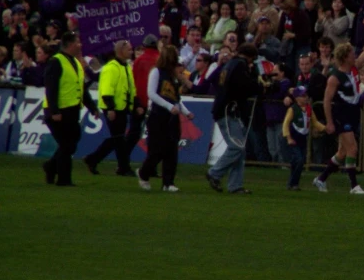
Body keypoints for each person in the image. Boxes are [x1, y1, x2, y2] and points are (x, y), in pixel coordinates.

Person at [42, 32, 99, 186]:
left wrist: (92, 107)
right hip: (59, 111)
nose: (80, 45)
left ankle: (51, 167)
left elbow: (81, 89)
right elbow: (51, 88)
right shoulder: (56, 61)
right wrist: (54, 111)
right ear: (69, 44)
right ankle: (63, 179)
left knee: (70, 144)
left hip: (72, 110)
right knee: (67, 145)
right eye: (77, 42)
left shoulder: (75, 62)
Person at [206, 43, 264, 194]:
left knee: (240, 149)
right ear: (250, 57)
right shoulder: (240, 65)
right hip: (227, 110)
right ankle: (214, 173)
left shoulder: (230, 64)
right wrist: (259, 85)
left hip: (225, 108)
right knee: (237, 147)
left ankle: (235, 185)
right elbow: (243, 87)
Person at [137, 45, 194, 192]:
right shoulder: (156, 72)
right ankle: (144, 173)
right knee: (157, 150)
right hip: (157, 116)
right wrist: (169, 107)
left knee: (172, 150)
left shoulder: (173, 77)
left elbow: (176, 99)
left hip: (172, 118)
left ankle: (168, 183)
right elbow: (151, 93)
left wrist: (186, 112)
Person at [313, 42, 364, 195]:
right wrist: (329, 122)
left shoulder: (354, 69)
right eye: (351, 53)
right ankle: (354, 186)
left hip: (353, 112)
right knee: (353, 148)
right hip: (341, 114)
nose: (354, 55)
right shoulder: (335, 78)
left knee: (342, 152)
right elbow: (326, 100)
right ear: (345, 57)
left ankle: (321, 178)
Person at [84, 40, 136, 177]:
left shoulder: (125, 67)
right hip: (113, 108)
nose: (132, 51)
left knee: (117, 138)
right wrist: (111, 108)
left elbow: (130, 88)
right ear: (120, 51)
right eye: (129, 49)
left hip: (122, 107)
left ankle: (93, 159)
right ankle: (123, 167)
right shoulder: (111, 68)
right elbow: (107, 90)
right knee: (118, 138)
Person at [283, 85, 326, 191]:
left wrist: (325, 128)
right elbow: (286, 124)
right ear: (297, 98)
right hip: (293, 138)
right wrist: (288, 137)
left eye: (306, 95)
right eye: (303, 96)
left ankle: (292, 183)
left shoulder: (309, 109)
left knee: (297, 162)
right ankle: (293, 183)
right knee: (299, 160)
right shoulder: (293, 109)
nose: (305, 98)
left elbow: (314, 122)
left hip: (303, 139)